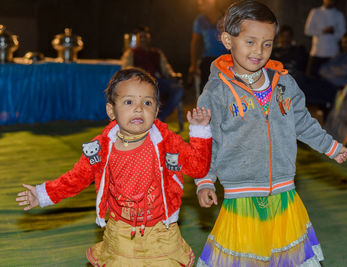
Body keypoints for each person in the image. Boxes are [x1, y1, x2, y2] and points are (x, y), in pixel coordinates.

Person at [194, 1, 347, 266]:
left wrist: (331, 147)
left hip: (283, 192)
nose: (259, 51)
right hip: (241, 194)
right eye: (250, 42)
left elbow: (303, 122)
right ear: (227, 40)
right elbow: (208, 140)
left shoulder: (284, 83)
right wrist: (205, 180)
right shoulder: (216, 93)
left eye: (267, 44)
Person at [16, 67, 212, 266]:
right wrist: (42, 194)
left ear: (156, 110)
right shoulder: (100, 148)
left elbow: (197, 168)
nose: (138, 108)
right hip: (121, 233)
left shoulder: (166, 140)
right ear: (111, 110)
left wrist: (199, 131)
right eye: (129, 102)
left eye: (147, 102)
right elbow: (76, 178)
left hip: (161, 232)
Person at [121, 26, 184, 122]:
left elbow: (167, 69)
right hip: (140, 83)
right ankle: (150, 117)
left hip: (158, 81)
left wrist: (173, 75)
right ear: (137, 39)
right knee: (151, 92)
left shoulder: (157, 53)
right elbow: (126, 69)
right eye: (140, 37)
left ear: (149, 38)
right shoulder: (131, 53)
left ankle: (161, 116)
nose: (142, 39)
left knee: (178, 89)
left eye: (144, 37)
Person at [188, 0, 228, 92]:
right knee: (206, 87)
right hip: (208, 59)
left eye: (203, 4)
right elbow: (195, 43)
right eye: (199, 5)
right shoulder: (200, 20)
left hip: (226, 58)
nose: (200, 7)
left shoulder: (226, 17)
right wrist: (193, 65)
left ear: (212, 2)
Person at [304, 0, 346, 78]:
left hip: (333, 54)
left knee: (330, 81)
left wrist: (333, 32)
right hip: (316, 53)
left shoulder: (339, 15)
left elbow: (343, 35)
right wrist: (323, 31)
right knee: (310, 80)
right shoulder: (315, 12)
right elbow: (307, 31)